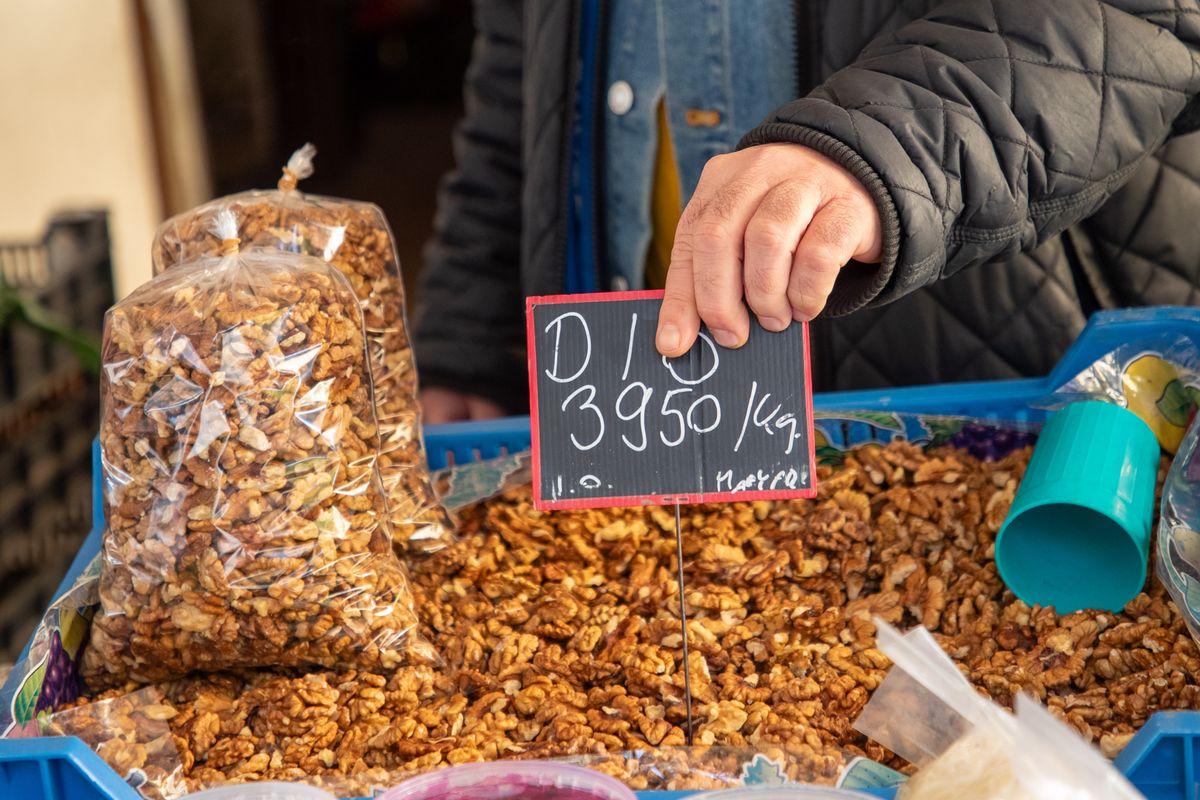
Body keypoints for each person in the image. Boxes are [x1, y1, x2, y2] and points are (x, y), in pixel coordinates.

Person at [414, 0, 1200, 424]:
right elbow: (518, 98)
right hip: (631, 414)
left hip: (1004, 405)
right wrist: (469, 345)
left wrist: (876, 149)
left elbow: (1142, 12)